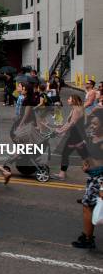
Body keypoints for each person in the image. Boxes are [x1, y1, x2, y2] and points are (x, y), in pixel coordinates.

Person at [72, 110, 103, 248]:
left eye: (95, 124)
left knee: (87, 206)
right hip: (93, 176)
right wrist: (86, 164)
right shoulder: (93, 137)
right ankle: (87, 236)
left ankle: (87, 238)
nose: (92, 126)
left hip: (100, 179)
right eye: (91, 123)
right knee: (88, 205)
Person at [53, 95, 88, 181]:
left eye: (69, 99)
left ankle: (62, 174)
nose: (67, 100)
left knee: (65, 154)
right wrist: (61, 130)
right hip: (76, 135)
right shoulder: (75, 109)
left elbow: (71, 124)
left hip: (76, 136)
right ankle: (96, 172)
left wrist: (61, 131)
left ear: (74, 100)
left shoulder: (77, 110)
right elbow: (68, 122)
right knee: (84, 155)